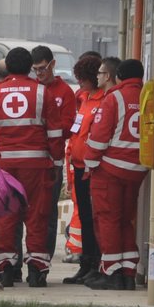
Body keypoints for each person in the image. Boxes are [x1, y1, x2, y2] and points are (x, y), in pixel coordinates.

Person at [0, 47, 69, 287]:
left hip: (4, 167)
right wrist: (56, 162)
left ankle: (6, 270)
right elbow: (54, 134)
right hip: (37, 165)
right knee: (37, 217)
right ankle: (36, 271)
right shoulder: (43, 94)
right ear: (30, 66)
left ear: (7, 68)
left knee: (5, 217)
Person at [80, 57, 147, 290]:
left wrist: (89, 163)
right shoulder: (149, 96)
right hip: (138, 170)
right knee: (126, 220)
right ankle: (128, 271)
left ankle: (111, 272)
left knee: (106, 219)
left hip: (109, 170)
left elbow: (98, 138)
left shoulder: (115, 97)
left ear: (118, 76)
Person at [30, 45, 77, 268]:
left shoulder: (65, 92)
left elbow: (68, 126)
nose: (39, 74)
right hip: (30, 161)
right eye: (35, 70)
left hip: (52, 160)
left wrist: (49, 129)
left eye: (42, 69)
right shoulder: (31, 90)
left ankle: (43, 258)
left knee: (47, 212)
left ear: (52, 65)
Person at [62, 52, 105, 284]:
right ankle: (85, 264)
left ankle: (94, 263)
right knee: (85, 218)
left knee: (92, 218)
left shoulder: (102, 101)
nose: (78, 82)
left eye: (82, 78)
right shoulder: (85, 99)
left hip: (92, 169)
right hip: (79, 167)